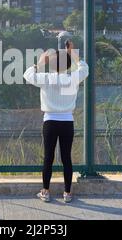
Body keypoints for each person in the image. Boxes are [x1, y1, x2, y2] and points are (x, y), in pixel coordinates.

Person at [23, 41, 89, 203]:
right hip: (67, 121)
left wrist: (39, 62)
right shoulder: (72, 78)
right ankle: (67, 193)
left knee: (48, 157)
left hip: (50, 121)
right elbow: (84, 69)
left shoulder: (45, 78)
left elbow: (28, 75)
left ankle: (45, 191)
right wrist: (75, 57)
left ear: (51, 65)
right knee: (66, 157)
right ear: (67, 65)